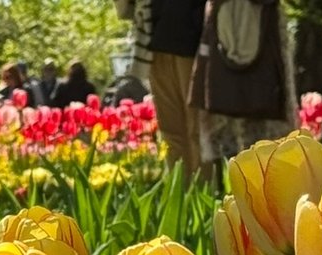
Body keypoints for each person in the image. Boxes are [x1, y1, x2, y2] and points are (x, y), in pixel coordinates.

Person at [190, 0, 295, 181]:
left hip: (250, 26)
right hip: (232, 26)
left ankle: (257, 184)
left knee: (251, 115)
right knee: (230, 116)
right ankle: (237, 186)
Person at [119, 0, 206, 174]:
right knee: (170, 129)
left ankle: (204, 191)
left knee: (197, 128)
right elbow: (125, 9)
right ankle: (180, 192)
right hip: (156, 45)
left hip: (191, 45)